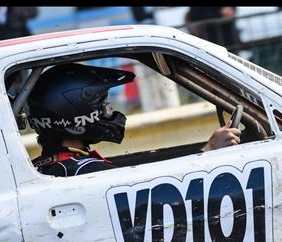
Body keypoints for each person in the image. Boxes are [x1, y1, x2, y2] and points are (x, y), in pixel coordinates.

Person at [26, 63, 241, 177]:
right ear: (74, 116)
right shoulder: (83, 171)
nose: (109, 112)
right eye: (102, 106)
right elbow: (151, 189)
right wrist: (209, 150)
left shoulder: (50, 165)